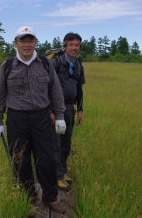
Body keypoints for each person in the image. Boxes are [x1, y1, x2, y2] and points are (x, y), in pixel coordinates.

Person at [0, 26, 67, 216]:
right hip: (17, 119)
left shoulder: (44, 63)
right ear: (15, 43)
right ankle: (29, 199)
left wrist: (59, 116)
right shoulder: (7, 65)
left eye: (30, 40)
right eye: (22, 41)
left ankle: (50, 196)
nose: (27, 45)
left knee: (47, 159)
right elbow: (0, 94)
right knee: (21, 162)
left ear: (35, 43)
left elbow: (56, 91)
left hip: (42, 118)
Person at [51, 32, 85, 191]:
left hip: (70, 108)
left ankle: (62, 172)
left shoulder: (78, 65)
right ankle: (56, 176)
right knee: (55, 143)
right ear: (65, 46)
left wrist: (80, 109)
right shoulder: (56, 62)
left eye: (76, 45)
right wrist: (50, 110)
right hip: (56, 108)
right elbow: (46, 87)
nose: (73, 48)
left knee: (66, 142)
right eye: (70, 45)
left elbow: (79, 89)